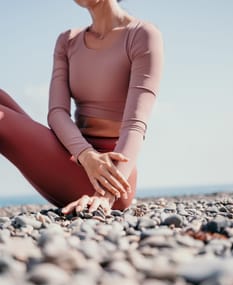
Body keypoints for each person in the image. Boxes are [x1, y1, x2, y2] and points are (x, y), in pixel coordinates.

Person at [0, 0, 163, 215]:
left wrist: (105, 196)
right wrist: (85, 155)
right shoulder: (68, 41)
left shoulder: (142, 35)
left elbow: (136, 124)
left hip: (109, 176)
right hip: (75, 154)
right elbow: (57, 112)